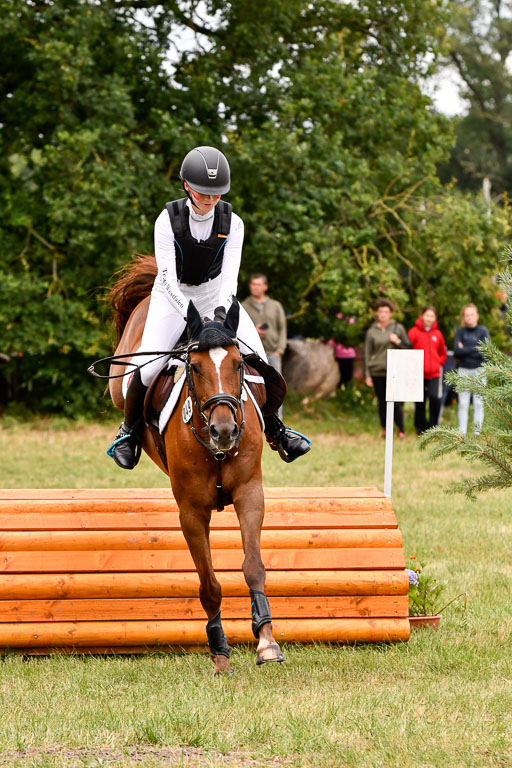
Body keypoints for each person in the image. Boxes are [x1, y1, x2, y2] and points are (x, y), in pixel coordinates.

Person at [109, 146, 311, 469]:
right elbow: (167, 278)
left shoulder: (234, 223)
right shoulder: (168, 220)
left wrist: (220, 314)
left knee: (259, 359)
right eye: (203, 192)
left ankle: (276, 429)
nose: (210, 199)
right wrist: (188, 314)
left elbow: (230, 278)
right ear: (187, 187)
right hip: (171, 297)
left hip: (217, 294)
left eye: (216, 194)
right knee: (146, 369)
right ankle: (129, 433)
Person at [364, 299, 411, 438]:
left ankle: (400, 429)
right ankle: (385, 428)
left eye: (386, 311)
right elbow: (367, 353)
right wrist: (367, 374)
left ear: (390, 313)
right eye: (380, 312)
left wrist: (397, 341)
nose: (383, 314)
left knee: (395, 402)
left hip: (394, 371)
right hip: (377, 370)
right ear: (377, 313)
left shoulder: (398, 327)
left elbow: (409, 347)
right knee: (382, 401)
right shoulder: (372, 331)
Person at [242, 274, 287, 417]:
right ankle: (255, 418)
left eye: (258, 284)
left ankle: (277, 422)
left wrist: (279, 350)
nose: (255, 287)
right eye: (253, 284)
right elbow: (239, 329)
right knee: (254, 387)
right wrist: (252, 331)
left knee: (276, 388)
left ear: (265, 287)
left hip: (273, 353)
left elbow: (282, 329)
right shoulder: (243, 306)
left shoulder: (275, 306)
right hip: (252, 356)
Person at [408, 306, 447, 434]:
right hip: (418, 373)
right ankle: (420, 427)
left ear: (435, 318)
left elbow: (442, 352)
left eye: (432, 316)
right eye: (427, 315)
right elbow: (409, 350)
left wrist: (438, 363)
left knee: (434, 398)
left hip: (434, 373)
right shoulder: (414, 332)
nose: (429, 318)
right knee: (420, 400)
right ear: (422, 316)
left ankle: (433, 426)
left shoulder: (438, 334)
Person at [454, 304, 490, 436]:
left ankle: (477, 433)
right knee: (463, 403)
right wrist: (475, 347)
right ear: (464, 317)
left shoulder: (483, 331)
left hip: (480, 370)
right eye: (466, 315)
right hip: (463, 370)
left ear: (477, 316)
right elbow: (457, 352)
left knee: (479, 402)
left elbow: (485, 350)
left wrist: (466, 349)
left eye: (472, 314)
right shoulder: (460, 332)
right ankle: (461, 433)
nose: (469, 317)